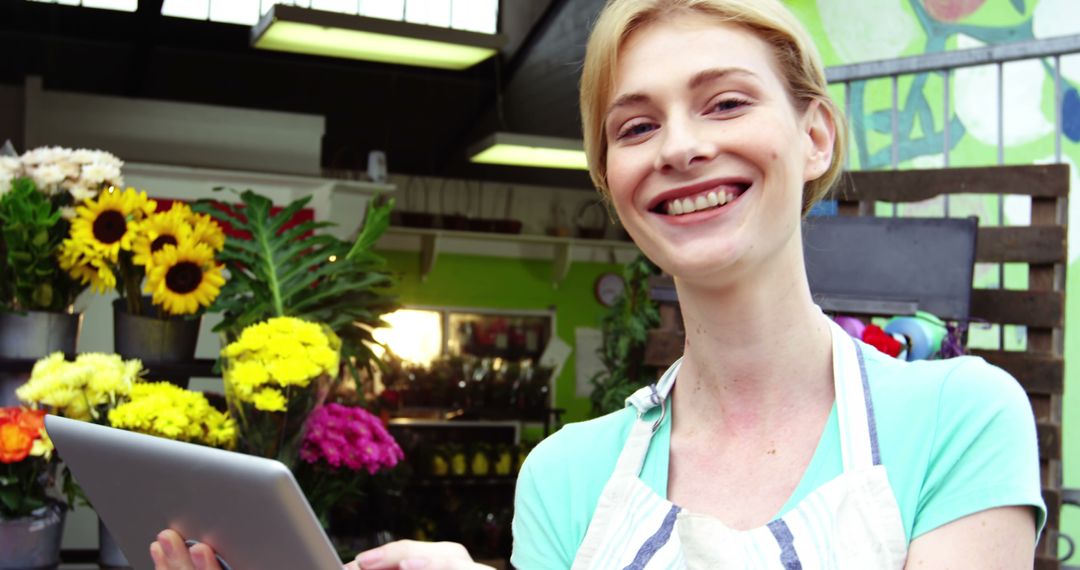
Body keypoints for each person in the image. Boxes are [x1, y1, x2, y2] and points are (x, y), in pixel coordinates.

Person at [151, 0, 1046, 568]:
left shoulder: (959, 419)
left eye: (726, 102)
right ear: (613, 181)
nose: (681, 147)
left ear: (815, 136)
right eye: (636, 124)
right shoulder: (566, 475)